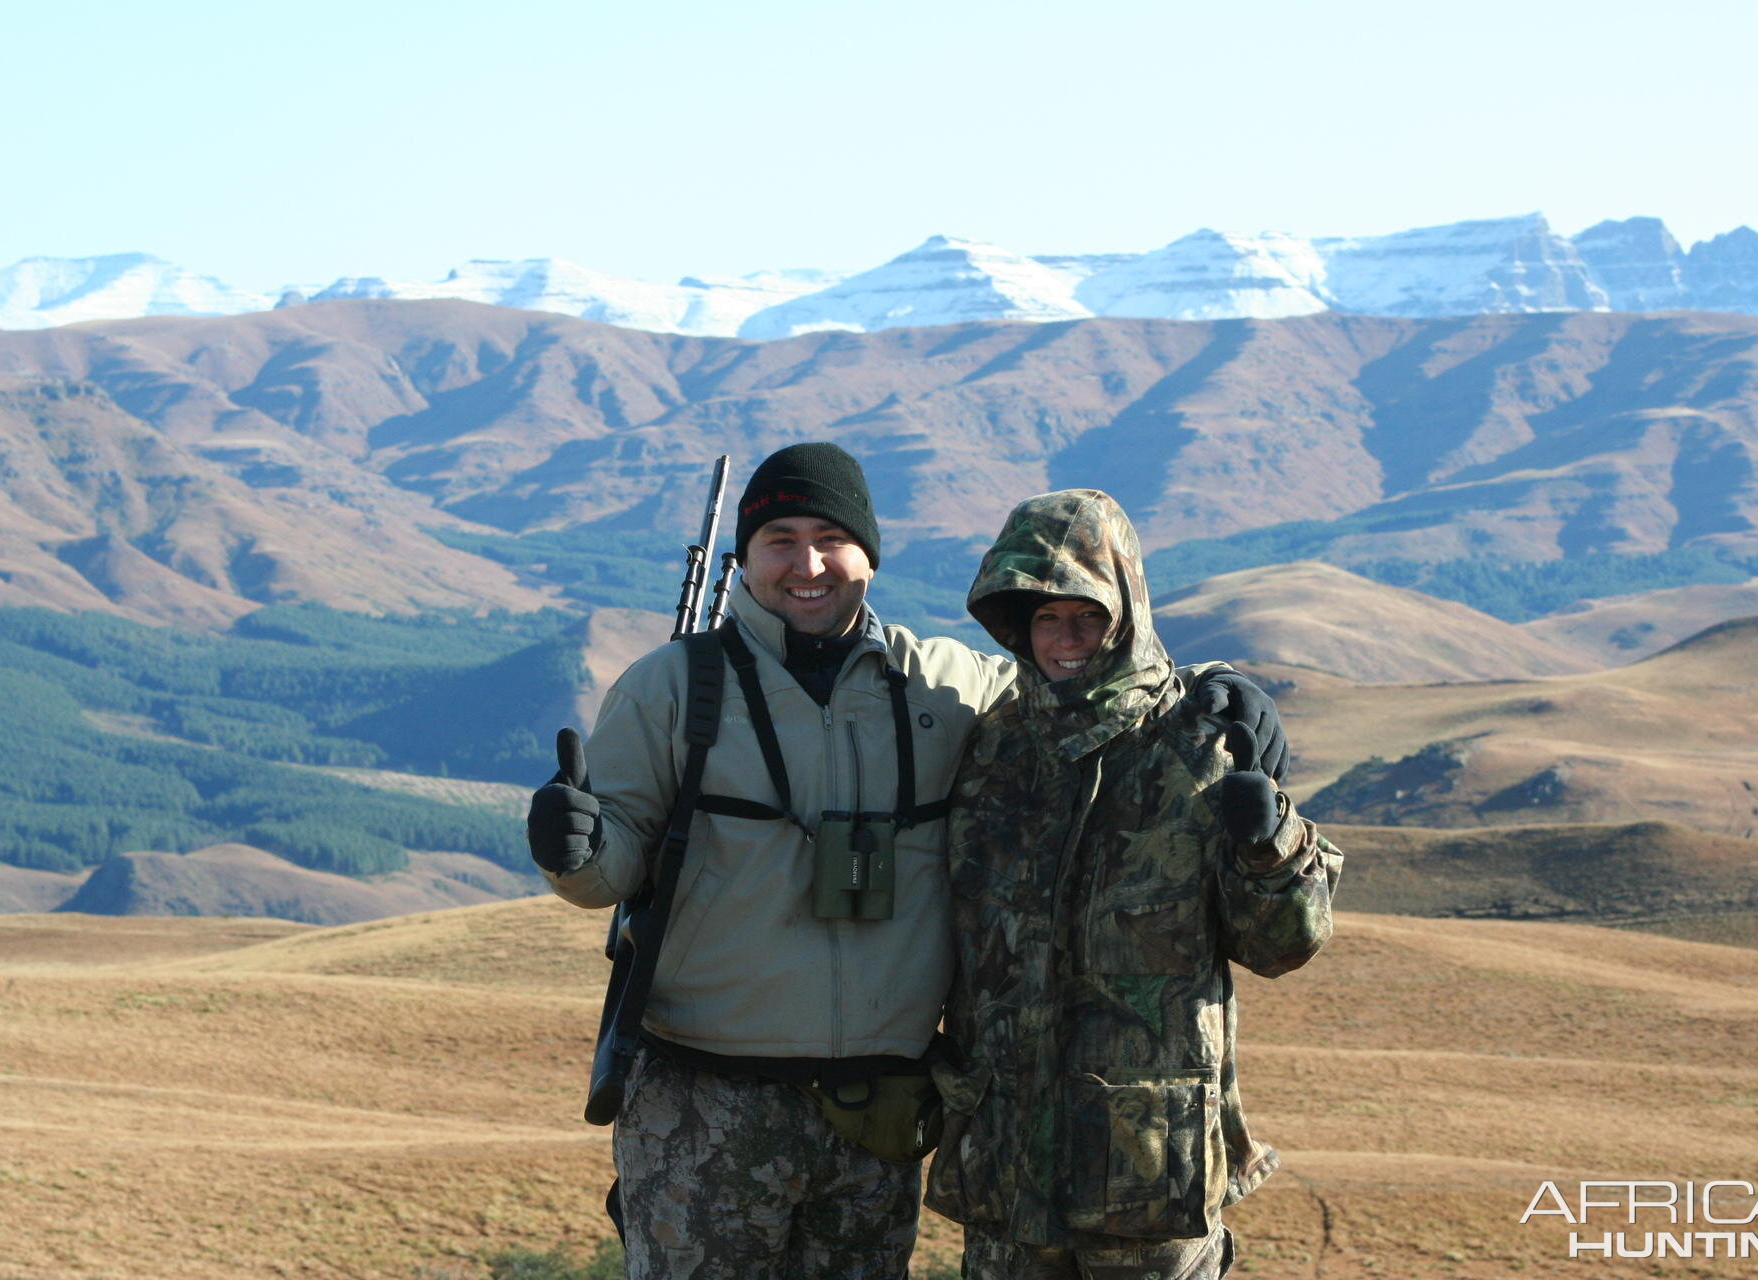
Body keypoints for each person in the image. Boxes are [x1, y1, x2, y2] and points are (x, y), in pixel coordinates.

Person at [525, 445, 1286, 1280]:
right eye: (779, 538)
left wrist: (1216, 685)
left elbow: (1083, 690)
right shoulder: (670, 689)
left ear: (869, 555)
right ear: (747, 555)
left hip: (878, 1118)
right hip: (704, 1106)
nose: (807, 564)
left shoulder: (949, 685)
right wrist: (577, 849)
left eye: (830, 538)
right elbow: (611, 871)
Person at [925, 488, 1343, 1280]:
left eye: (1087, 614)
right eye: (1045, 617)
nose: (1066, 638)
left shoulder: (1196, 743)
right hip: (1006, 1170)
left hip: (1147, 1172)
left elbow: (1285, 945)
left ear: (1127, 611)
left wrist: (1268, 842)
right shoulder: (993, 753)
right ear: (1015, 624)